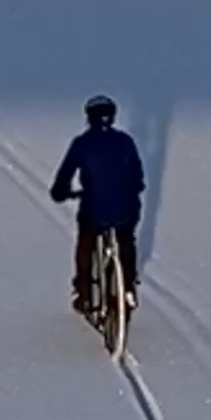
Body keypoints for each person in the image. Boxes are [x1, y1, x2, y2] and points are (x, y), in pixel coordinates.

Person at [50, 94, 145, 314]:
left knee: (86, 240)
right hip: (125, 209)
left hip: (93, 209)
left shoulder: (81, 144)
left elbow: (64, 177)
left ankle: (83, 291)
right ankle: (128, 285)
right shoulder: (126, 142)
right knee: (126, 238)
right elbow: (138, 179)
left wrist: (61, 193)